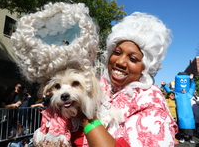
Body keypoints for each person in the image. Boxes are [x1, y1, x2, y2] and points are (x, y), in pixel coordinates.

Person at [72, 12, 178, 146]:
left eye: (133, 59)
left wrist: (86, 117)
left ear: (145, 67)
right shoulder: (93, 84)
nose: (120, 62)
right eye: (117, 52)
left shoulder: (150, 101)